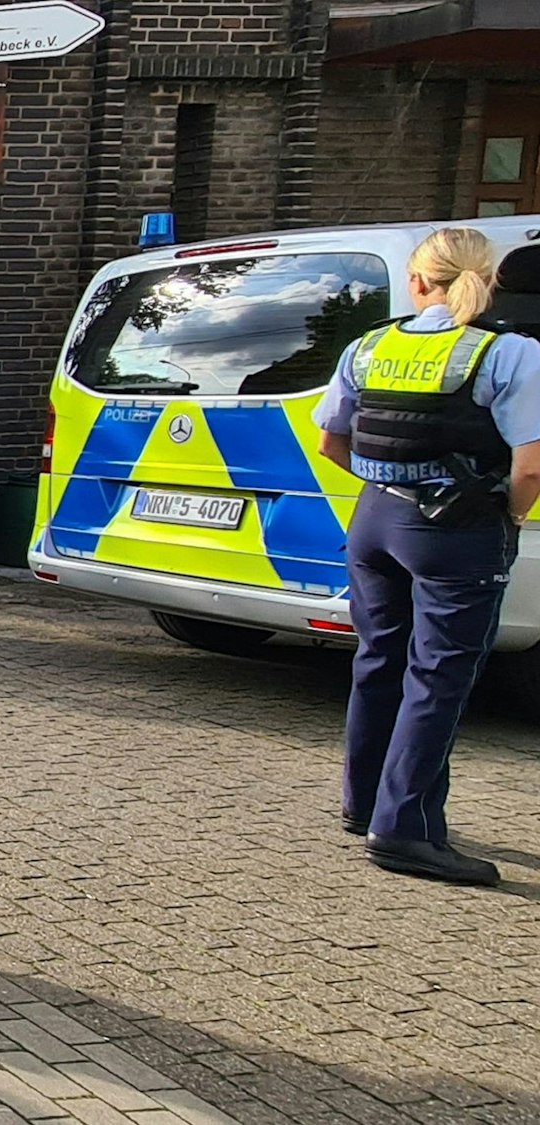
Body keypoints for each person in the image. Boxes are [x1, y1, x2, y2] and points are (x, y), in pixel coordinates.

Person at [314, 226, 540, 887]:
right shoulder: (509, 355)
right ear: (487, 280)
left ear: (417, 282)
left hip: (376, 521)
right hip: (455, 529)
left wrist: (390, 486)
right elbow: (529, 467)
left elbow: (331, 440)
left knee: (379, 658)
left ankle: (364, 804)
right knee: (438, 676)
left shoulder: (368, 346)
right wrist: (508, 514)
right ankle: (405, 829)